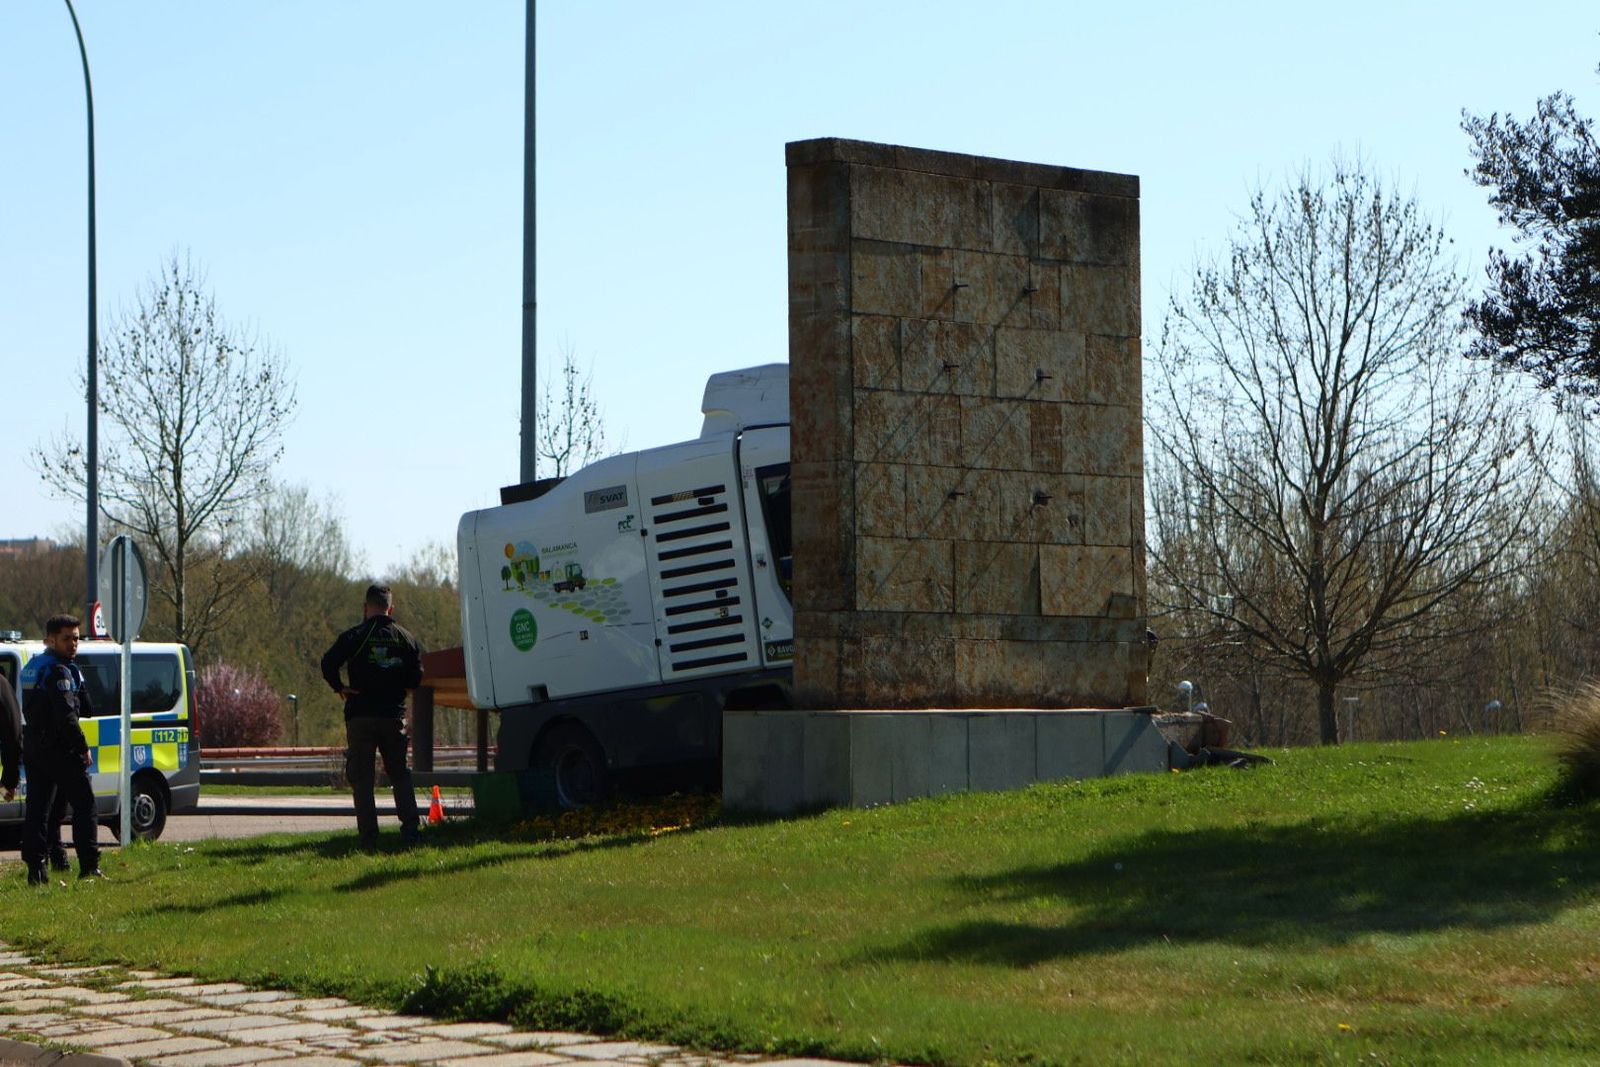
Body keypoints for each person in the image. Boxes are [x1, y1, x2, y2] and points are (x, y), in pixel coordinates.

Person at [321, 583, 425, 849]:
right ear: (391, 608)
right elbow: (416, 678)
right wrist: (399, 686)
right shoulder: (405, 638)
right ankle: (411, 832)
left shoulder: (354, 636)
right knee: (400, 774)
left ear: (366, 607)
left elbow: (328, 662)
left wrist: (340, 687)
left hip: (361, 716)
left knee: (363, 779)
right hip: (393, 716)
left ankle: (369, 838)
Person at [21, 615, 102, 883]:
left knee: (38, 810)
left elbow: (86, 708)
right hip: (60, 749)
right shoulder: (59, 671)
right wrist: (83, 747)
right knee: (85, 805)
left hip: (35, 747)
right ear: (50, 640)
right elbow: (68, 717)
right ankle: (89, 867)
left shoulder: (35, 666)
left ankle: (36, 871)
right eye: (66, 639)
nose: (73, 644)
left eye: (76, 638)